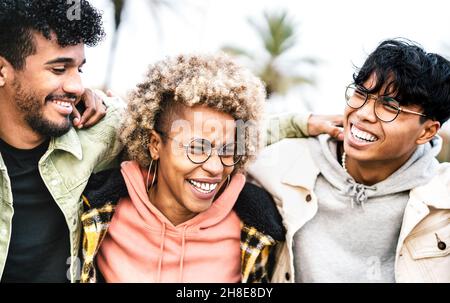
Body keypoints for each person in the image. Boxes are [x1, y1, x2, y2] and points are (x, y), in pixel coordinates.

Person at [79, 53, 343, 283]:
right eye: (197, 149)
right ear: (155, 144)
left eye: (228, 151)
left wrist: (298, 123)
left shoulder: (255, 230)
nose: (216, 167)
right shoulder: (100, 209)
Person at [248, 38, 450, 283]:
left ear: (427, 132)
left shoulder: (442, 202)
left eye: (390, 106)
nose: (363, 114)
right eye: (362, 93)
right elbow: (212, 146)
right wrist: (298, 123)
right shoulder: (290, 162)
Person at [0, 0, 123, 282]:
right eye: (59, 69)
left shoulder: (104, 131)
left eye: (78, 69)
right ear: (2, 71)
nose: (77, 86)